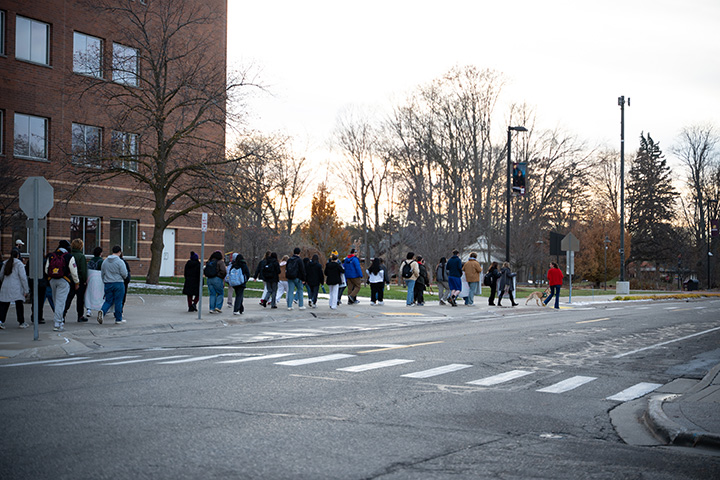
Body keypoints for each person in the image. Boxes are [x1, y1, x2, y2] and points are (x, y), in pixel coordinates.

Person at [45, 240, 80, 332]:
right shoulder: (69, 256)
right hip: (64, 281)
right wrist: (76, 282)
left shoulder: (51, 255)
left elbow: (46, 269)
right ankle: (58, 323)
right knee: (61, 302)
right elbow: (74, 271)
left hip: (52, 280)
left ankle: (59, 321)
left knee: (56, 301)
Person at [98, 245, 129, 325]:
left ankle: (103, 311)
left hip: (108, 283)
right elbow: (124, 274)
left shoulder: (105, 261)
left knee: (108, 300)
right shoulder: (120, 262)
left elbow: (102, 273)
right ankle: (118, 319)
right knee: (118, 301)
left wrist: (105, 281)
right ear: (119, 252)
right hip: (118, 283)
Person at [0, 249, 30, 329]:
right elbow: (23, 277)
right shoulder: (19, 264)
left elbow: (1, 275)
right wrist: (26, 289)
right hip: (16, 287)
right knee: (19, 305)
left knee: (4, 305)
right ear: (18, 255)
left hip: (6, 286)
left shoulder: (5, 263)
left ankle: (1, 321)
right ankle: (21, 322)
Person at [63, 238, 89, 322]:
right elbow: (83, 270)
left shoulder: (68, 255)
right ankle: (80, 316)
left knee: (68, 298)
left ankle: (62, 315)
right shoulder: (81, 257)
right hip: (80, 280)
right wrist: (84, 280)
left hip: (69, 280)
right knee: (80, 299)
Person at [85, 246, 104, 318]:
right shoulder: (101, 261)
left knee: (89, 294)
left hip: (90, 280)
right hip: (99, 280)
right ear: (100, 253)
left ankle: (88, 310)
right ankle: (101, 309)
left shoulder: (90, 261)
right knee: (99, 295)